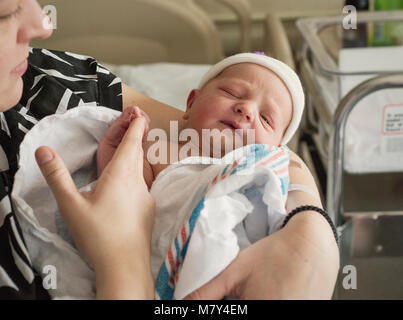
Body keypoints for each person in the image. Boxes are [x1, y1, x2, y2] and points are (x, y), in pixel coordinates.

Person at [0, 0, 339, 300]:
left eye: (265, 118)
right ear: (190, 104)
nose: (246, 110)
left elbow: (287, 172)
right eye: (233, 93)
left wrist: (313, 237)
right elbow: (125, 190)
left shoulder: (262, 165)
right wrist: (115, 157)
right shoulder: (166, 149)